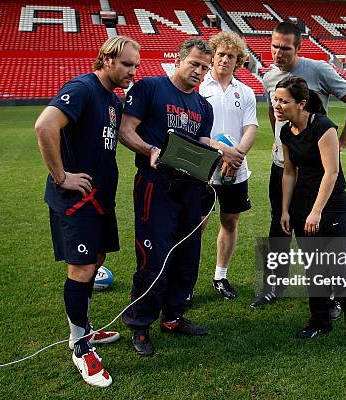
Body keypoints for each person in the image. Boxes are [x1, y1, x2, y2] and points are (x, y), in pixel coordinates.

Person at [34, 36, 140, 387]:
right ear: (106, 59)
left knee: (96, 259)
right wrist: (61, 176)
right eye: (126, 64)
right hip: (77, 202)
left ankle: (86, 329)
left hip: (99, 198)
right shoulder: (82, 87)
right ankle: (79, 345)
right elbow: (44, 126)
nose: (132, 71)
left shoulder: (112, 98)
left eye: (136, 65)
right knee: (80, 269)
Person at [253, 21, 346, 309]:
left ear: (298, 48)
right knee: (280, 224)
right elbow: (272, 111)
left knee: (321, 232)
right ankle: (274, 285)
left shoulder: (318, 70)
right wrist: (278, 141)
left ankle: (332, 294)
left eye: (285, 48)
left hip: (314, 172)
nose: (278, 53)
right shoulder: (270, 77)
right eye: (274, 46)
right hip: (283, 166)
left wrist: (342, 142)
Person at [119, 38, 215, 357]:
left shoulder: (203, 106)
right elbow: (125, 129)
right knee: (153, 257)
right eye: (195, 64)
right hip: (155, 186)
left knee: (187, 257)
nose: (199, 72)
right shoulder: (150, 88)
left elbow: (201, 142)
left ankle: (173, 317)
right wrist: (149, 150)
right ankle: (140, 323)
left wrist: (217, 157)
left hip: (190, 190)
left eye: (205, 67)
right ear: (179, 60)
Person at [274, 76, 346, 358]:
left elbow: (331, 172)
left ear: (302, 103)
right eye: (275, 100)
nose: (277, 105)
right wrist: (285, 210)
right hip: (300, 206)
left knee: (339, 272)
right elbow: (289, 172)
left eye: (284, 101)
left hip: (330, 206)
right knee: (314, 268)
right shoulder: (285, 131)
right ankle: (320, 321)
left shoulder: (323, 127)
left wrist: (317, 211)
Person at [198, 31, 258, 300]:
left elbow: (251, 127)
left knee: (230, 221)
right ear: (212, 56)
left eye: (230, 56)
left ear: (239, 61)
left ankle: (220, 276)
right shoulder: (198, 86)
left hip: (236, 167)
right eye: (220, 54)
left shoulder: (244, 92)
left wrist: (238, 156)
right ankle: (186, 280)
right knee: (197, 224)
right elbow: (194, 129)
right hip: (203, 166)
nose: (224, 59)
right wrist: (223, 151)